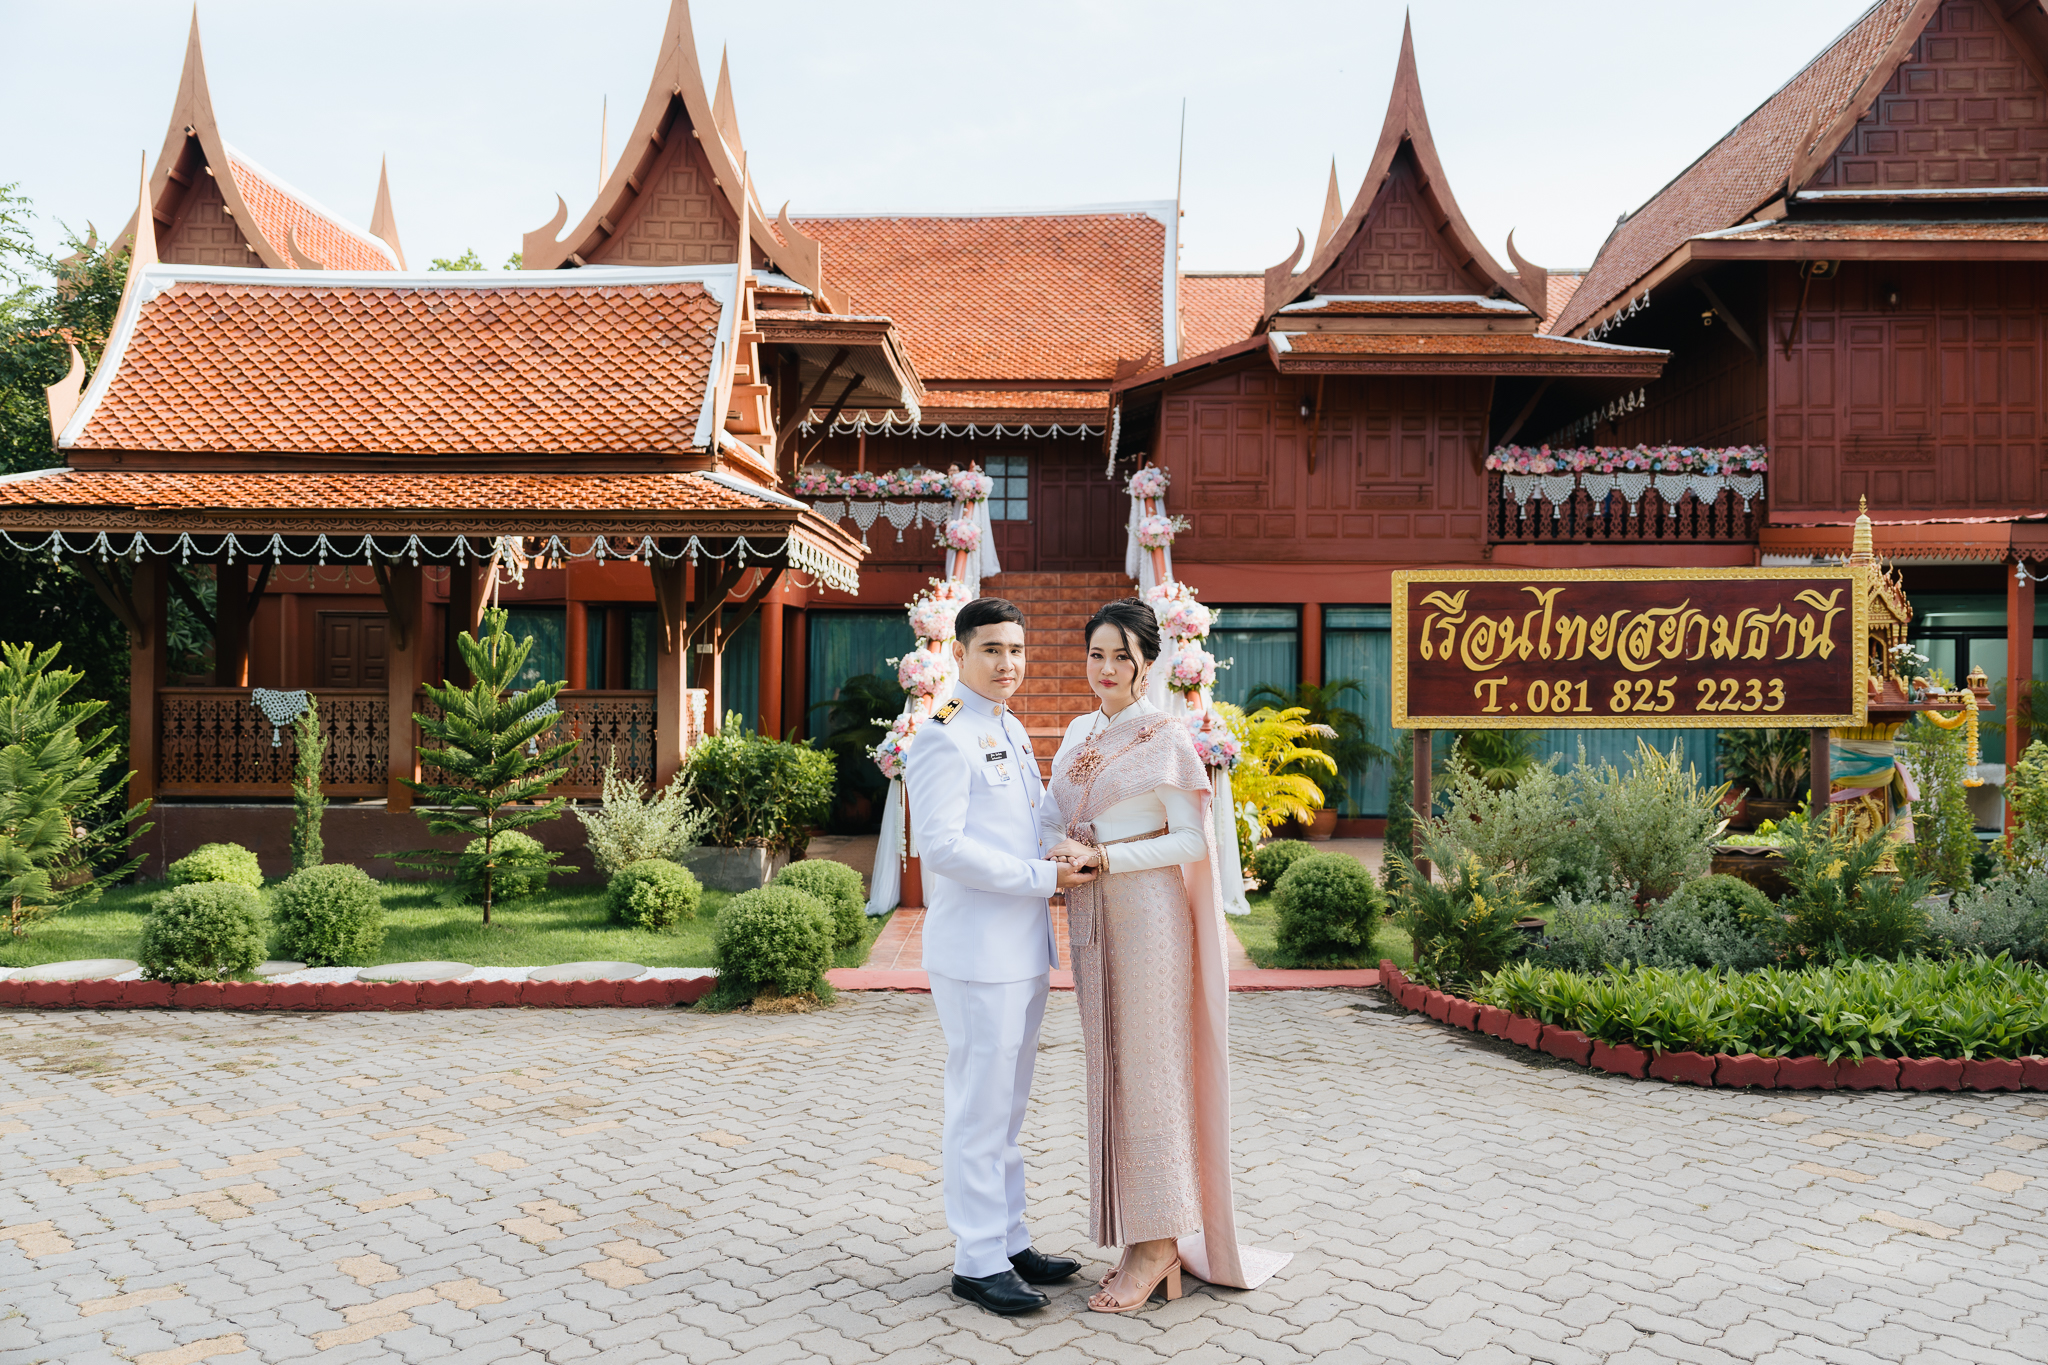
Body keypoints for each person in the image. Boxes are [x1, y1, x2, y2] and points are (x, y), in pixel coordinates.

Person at [1042, 597, 1291, 1313]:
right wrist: (1055, 851)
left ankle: (1160, 1244)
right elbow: (1057, 816)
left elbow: (1191, 840)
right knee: (1111, 1071)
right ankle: (1134, 1232)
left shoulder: (1166, 736)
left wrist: (1107, 856)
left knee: (1151, 1072)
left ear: (1148, 662)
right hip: (1091, 916)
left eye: (1121, 655)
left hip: (1148, 918)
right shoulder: (1080, 729)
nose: (1107, 668)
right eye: (1096, 654)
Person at [903, 596, 1099, 1316]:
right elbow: (944, 848)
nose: (1008, 663)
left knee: (1008, 1109)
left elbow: (1027, 822)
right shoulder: (944, 735)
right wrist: (1045, 877)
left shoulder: (1008, 725)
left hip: (1021, 949)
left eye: (1017, 649)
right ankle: (976, 1260)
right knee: (979, 1109)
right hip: (977, 953)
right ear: (959, 653)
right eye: (992, 649)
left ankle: (1009, 1239)